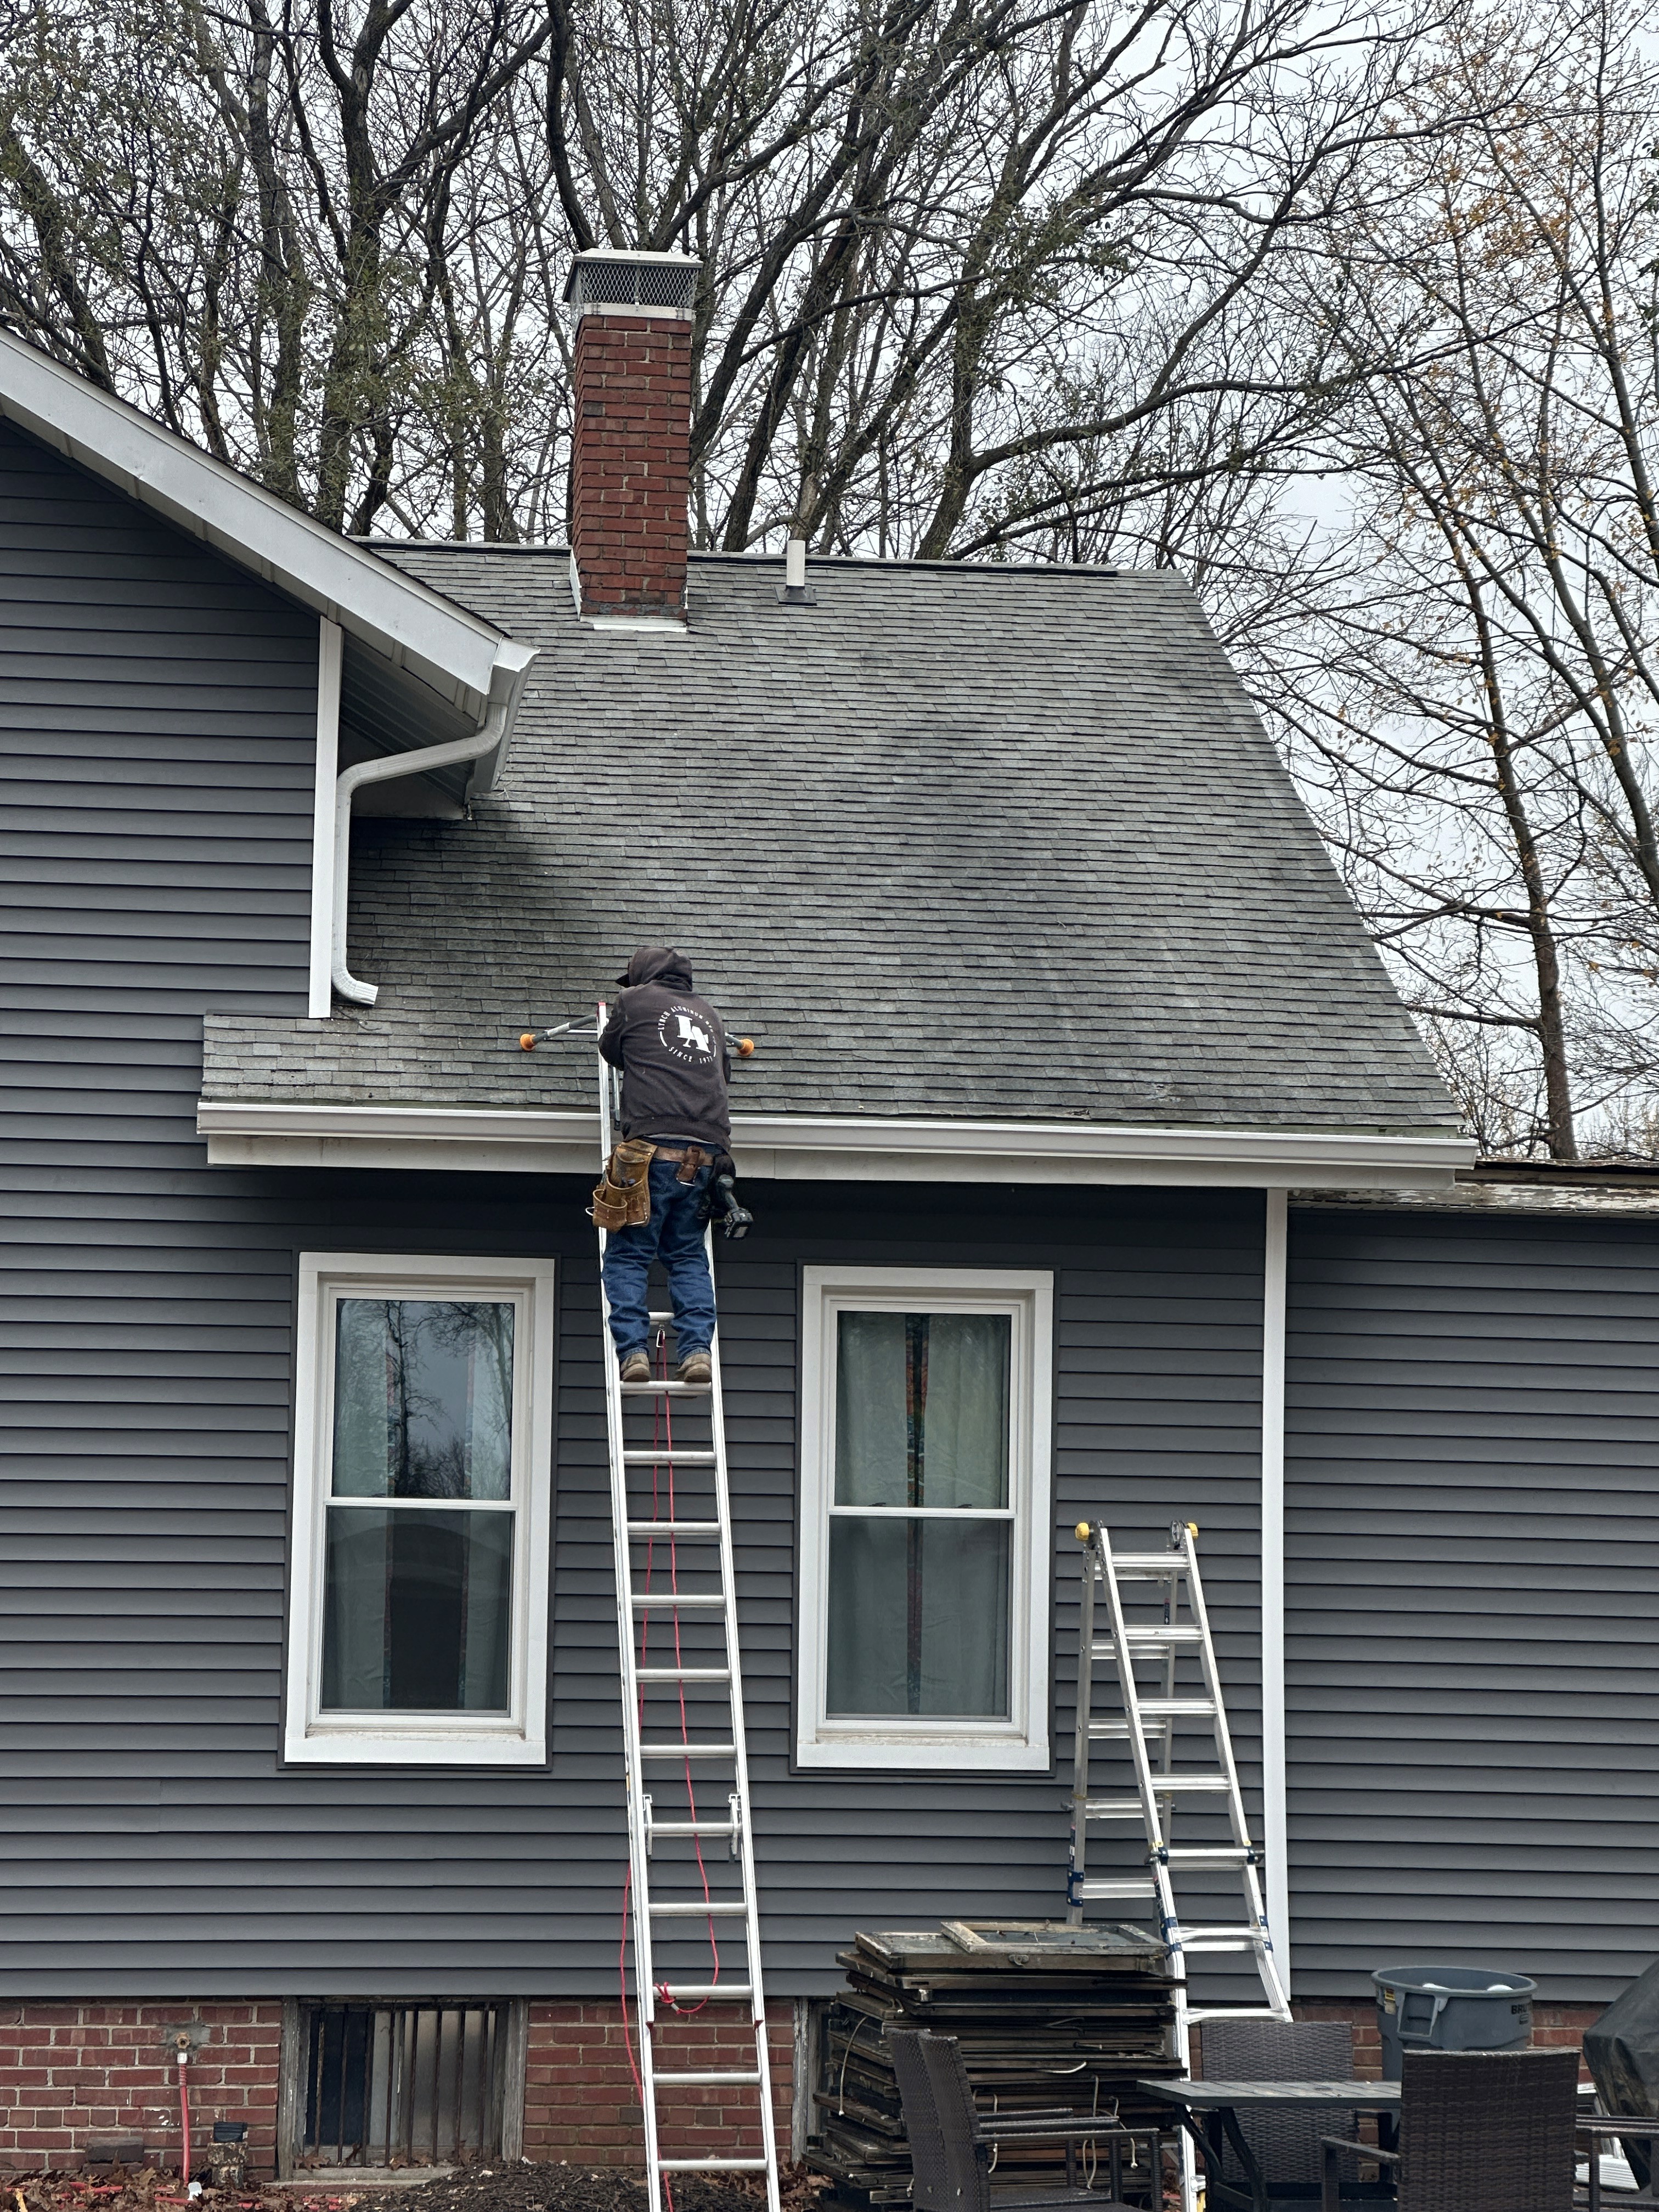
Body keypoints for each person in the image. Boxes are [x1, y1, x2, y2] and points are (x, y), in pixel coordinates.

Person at [598, 946, 732, 1385]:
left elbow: (611, 1049)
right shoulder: (710, 1015)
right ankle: (697, 1352)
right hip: (707, 1156)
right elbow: (722, 1073)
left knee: (629, 1255)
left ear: (642, 976)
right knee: (688, 1255)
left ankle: (634, 1352)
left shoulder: (633, 1002)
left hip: (648, 1151)